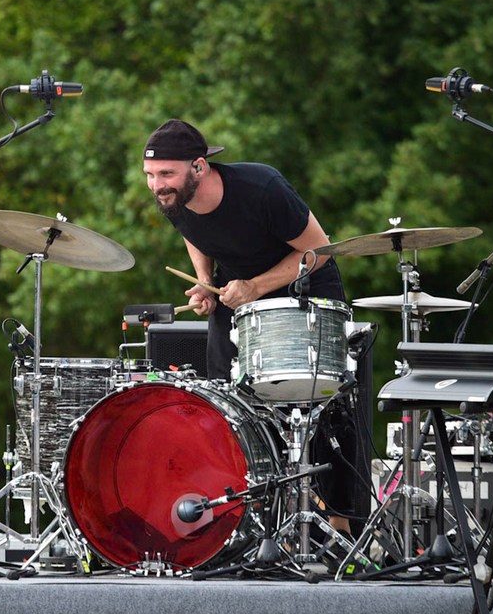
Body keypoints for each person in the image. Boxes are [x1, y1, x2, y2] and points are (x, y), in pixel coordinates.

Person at [142, 119, 358, 538]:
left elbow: (320, 250)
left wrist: (256, 287)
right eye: (150, 175)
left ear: (200, 167)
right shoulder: (174, 199)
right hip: (236, 296)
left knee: (325, 414)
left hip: (303, 290)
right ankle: (248, 525)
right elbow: (194, 234)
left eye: (166, 173)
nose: (156, 185)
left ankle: (340, 526)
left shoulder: (262, 188)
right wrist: (204, 282)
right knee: (230, 408)